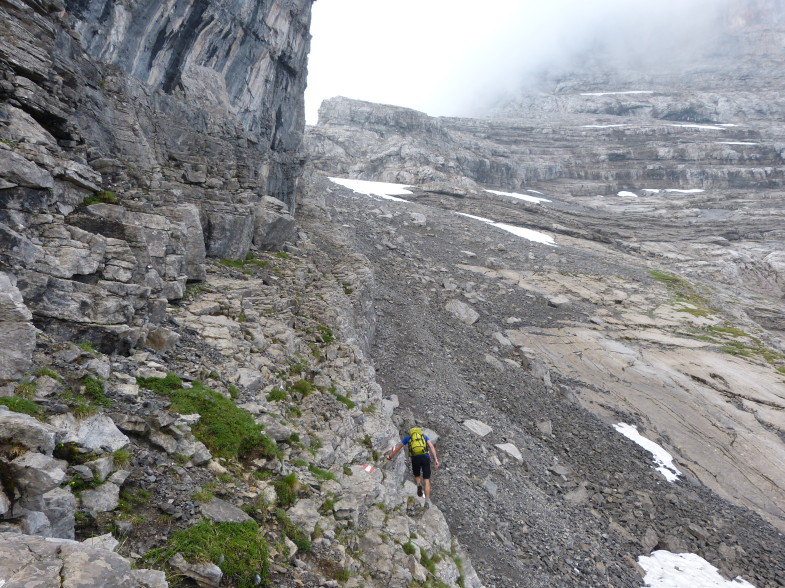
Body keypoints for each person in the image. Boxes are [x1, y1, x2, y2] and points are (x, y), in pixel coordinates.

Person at [386, 426, 440, 506]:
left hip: (415, 458)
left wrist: (390, 456)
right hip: (425, 457)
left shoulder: (408, 438)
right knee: (426, 479)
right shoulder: (424, 436)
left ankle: (418, 484)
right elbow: (431, 446)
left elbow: (398, 448)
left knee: (417, 475)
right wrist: (436, 459)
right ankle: (427, 501)